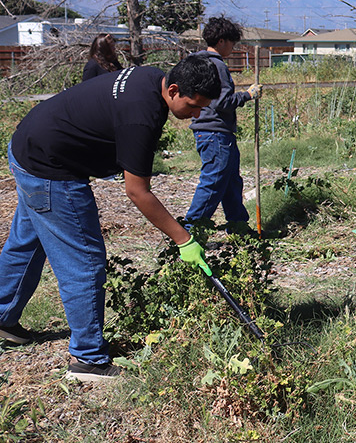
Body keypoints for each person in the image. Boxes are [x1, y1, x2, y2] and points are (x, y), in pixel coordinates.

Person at [0, 55, 221, 382]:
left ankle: (2, 317)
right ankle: (87, 360)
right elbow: (137, 192)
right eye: (193, 105)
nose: (197, 114)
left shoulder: (152, 78)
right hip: (50, 168)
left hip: (29, 147)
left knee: (28, 242)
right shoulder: (141, 116)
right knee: (85, 261)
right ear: (173, 90)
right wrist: (183, 239)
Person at [183, 17, 261, 231]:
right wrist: (247, 95)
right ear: (221, 41)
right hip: (215, 132)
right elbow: (222, 102)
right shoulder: (217, 66)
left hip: (207, 130)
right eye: (232, 43)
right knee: (214, 182)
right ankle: (190, 232)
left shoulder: (197, 61)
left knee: (230, 181)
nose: (232, 48)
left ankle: (238, 226)